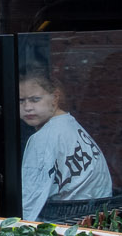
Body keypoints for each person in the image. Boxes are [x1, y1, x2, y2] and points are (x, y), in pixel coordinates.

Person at [17, 72, 112, 221]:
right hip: (91, 219)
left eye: (35, 99)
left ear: (55, 98)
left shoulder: (44, 137)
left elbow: (28, 206)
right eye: (21, 100)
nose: (27, 107)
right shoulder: (68, 124)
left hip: (62, 225)